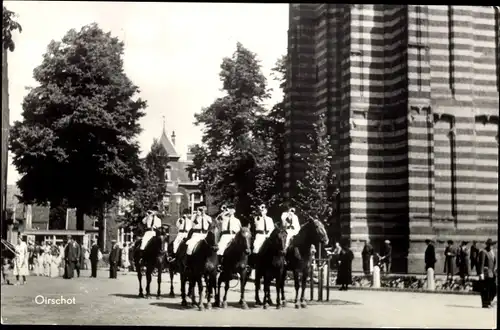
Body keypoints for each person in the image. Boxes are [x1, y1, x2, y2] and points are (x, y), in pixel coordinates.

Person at [478, 239, 497, 308]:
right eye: (489, 245)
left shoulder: (492, 252)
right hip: (485, 274)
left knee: (493, 289)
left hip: (492, 273)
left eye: (492, 245)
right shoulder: (483, 252)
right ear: (487, 245)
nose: (491, 246)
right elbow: (481, 264)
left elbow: (494, 262)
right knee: (485, 289)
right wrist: (481, 274)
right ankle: (485, 303)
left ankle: (489, 301)